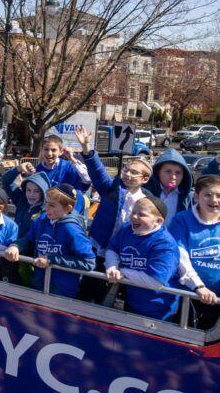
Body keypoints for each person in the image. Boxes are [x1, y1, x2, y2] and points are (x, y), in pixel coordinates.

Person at [74, 126, 154, 302]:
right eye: (126, 169)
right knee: (89, 287)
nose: (128, 174)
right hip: (100, 248)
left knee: (114, 293)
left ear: (145, 179)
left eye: (134, 172)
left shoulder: (147, 201)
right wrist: (87, 148)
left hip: (125, 253)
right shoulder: (113, 188)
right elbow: (98, 173)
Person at [4, 184, 95, 297]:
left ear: (68, 208)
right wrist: (16, 246)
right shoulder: (41, 220)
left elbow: (89, 262)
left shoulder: (72, 230)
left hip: (61, 291)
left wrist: (51, 260)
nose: (46, 208)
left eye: (52, 205)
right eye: (46, 202)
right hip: (38, 283)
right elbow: (29, 240)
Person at [105, 196, 180, 321]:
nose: (134, 217)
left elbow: (155, 281)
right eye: (133, 212)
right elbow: (112, 248)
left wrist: (122, 272)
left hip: (159, 309)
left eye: (141, 214)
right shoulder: (127, 229)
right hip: (131, 300)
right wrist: (112, 267)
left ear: (158, 221)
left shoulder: (165, 244)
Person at [169, 175, 220, 329]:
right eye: (208, 195)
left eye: (219, 195)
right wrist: (198, 286)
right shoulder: (182, 220)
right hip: (190, 295)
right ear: (196, 197)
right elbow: (180, 256)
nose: (214, 200)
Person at [146, 149, 193, 227]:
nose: (173, 177)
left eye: (178, 173)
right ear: (158, 172)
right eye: (168, 171)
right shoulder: (146, 192)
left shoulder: (189, 197)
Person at [2, 167, 50, 239]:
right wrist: (19, 169)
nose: (31, 195)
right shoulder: (21, 200)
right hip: (13, 243)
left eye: (36, 191)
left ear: (43, 193)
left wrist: (19, 244)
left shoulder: (46, 212)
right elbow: (6, 181)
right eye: (28, 190)